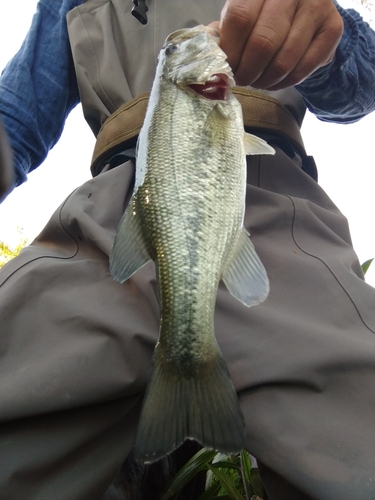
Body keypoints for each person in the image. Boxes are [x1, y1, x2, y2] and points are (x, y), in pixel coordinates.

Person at [0, 0, 374, 499]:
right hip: (108, 209)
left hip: (279, 202)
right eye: (176, 48)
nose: (187, 37)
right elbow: (15, 117)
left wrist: (325, 36)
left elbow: (361, 84)